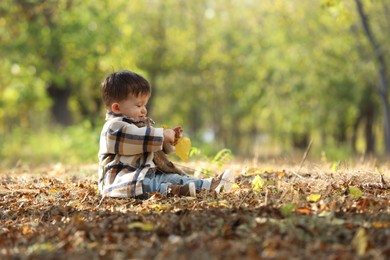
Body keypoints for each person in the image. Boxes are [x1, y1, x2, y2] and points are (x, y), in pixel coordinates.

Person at [98, 70, 234, 199]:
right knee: (149, 185)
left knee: (173, 178)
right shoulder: (113, 128)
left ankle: (208, 185)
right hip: (123, 181)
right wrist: (161, 135)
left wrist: (167, 142)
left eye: (145, 105)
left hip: (146, 175)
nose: (144, 110)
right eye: (139, 105)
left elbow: (151, 148)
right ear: (117, 108)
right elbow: (137, 138)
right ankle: (176, 190)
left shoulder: (138, 126)